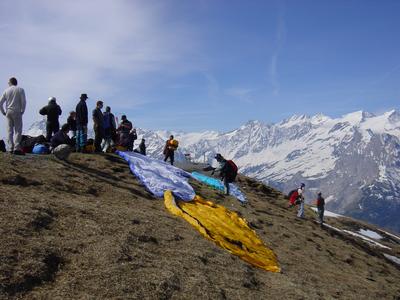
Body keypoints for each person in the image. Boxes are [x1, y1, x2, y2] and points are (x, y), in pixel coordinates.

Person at [0, 77, 26, 154]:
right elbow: (23, 101)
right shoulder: (20, 89)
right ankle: (17, 148)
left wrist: (3, 112)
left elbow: (0, 103)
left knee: (9, 130)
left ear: (10, 82)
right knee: (18, 130)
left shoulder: (6, 90)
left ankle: (10, 148)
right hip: (17, 111)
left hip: (8, 111)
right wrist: (22, 110)